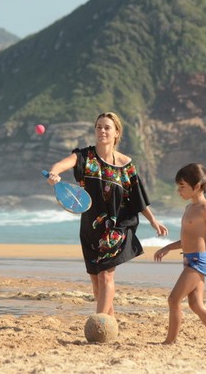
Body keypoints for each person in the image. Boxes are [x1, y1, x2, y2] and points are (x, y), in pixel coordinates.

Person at [46, 111, 168, 317]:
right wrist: (53, 175)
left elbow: (138, 198)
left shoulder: (126, 165)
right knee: (96, 284)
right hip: (90, 227)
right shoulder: (84, 157)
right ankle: (109, 325)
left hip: (117, 227)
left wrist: (153, 220)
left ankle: (99, 322)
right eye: (98, 127)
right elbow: (60, 166)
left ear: (116, 133)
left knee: (105, 278)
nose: (102, 130)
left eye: (107, 127)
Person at [154, 163, 206, 346]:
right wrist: (167, 247)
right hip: (189, 259)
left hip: (199, 261)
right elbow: (187, 240)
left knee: (173, 299)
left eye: (182, 186)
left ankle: (170, 341)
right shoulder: (189, 209)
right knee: (195, 304)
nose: (179, 191)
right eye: (178, 186)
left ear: (197, 186)